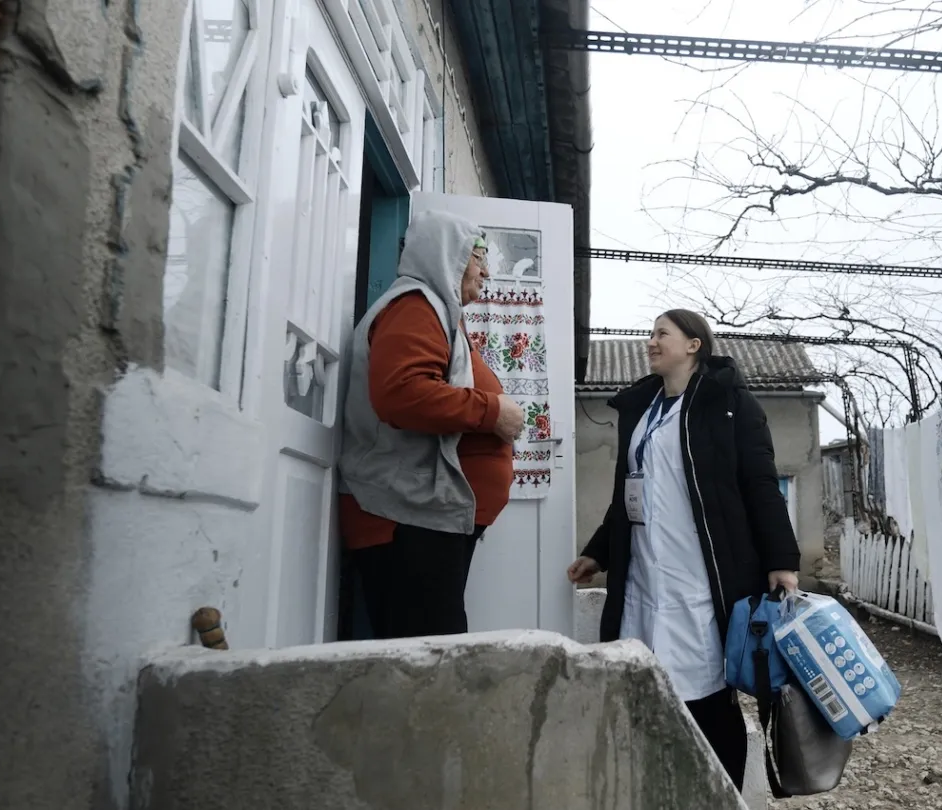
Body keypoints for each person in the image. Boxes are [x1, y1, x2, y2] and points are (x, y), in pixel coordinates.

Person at [566, 309, 800, 790]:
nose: (649, 341)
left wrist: (782, 561)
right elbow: (628, 495)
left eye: (661, 334)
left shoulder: (730, 403)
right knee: (648, 685)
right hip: (645, 577)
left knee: (708, 694)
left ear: (693, 344)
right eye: (650, 333)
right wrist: (599, 553)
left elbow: (760, 484)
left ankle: (722, 794)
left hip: (701, 575)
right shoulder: (644, 409)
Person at [338, 209, 524, 638]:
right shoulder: (415, 305)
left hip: (419, 518)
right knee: (428, 660)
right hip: (403, 520)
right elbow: (404, 394)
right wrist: (494, 412)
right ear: (450, 253)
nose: (487, 271)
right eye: (479, 257)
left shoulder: (435, 310)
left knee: (429, 654)